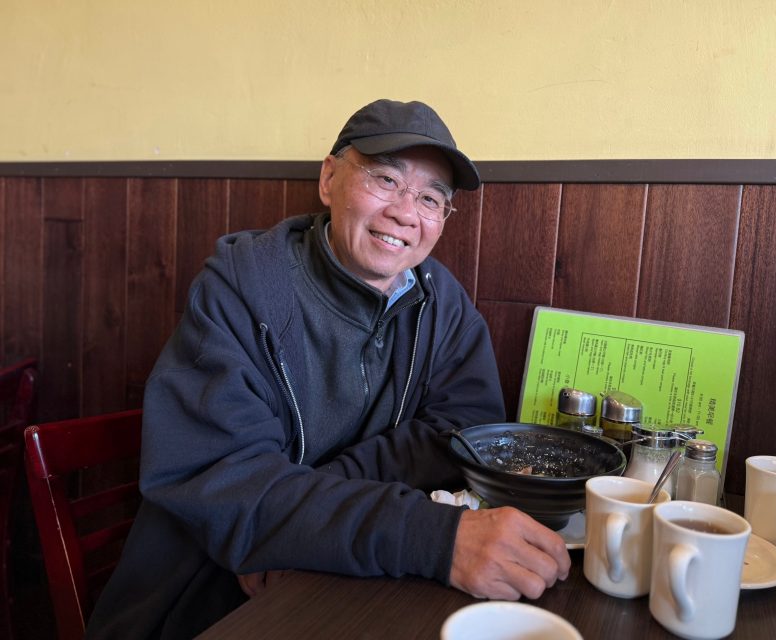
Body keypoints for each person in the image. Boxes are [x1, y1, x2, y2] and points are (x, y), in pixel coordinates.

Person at [86, 99, 570, 639]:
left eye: (431, 198)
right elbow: (224, 480)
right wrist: (431, 538)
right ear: (329, 178)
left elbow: (461, 433)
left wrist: (303, 523)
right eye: (386, 179)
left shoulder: (442, 304)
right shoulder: (244, 288)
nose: (406, 213)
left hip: (341, 575)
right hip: (206, 592)